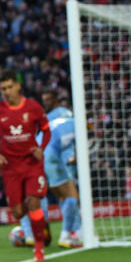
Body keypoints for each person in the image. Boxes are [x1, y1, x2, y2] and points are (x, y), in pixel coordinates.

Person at [0, 69, 51, 262]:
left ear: (18, 86)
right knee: (18, 212)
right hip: (10, 167)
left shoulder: (33, 107)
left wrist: (41, 148)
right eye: (3, 88)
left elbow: (46, 131)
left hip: (32, 164)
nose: (6, 91)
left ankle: (38, 249)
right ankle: (41, 226)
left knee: (33, 203)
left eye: (10, 87)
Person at [40, 90, 82, 248]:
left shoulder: (54, 119)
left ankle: (42, 229)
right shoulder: (74, 122)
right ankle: (67, 235)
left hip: (41, 156)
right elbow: (77, 143)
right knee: (72, 195)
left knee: (63, 197)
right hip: (52, 157)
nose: (46, 102)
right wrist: (74, 158)